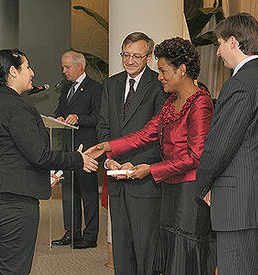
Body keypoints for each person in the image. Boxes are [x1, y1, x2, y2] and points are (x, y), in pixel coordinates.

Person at [87, 37, 217, 275]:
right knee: (168, 251)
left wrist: (151, 169)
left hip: (189, 191)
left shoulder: (200, 103)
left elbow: (195, 156)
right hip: (170, 188)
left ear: (182, 71)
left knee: (185, 253)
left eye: (163, 71)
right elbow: (145, 134)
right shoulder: (172, 102)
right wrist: (106, 146)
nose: (159, 77)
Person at [0, 49, 98, 275]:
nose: (32, 73)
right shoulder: (18, 108)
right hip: (15, 203)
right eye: (27, 67)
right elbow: (40, 155)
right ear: (13, 72)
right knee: (13, 267)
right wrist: (77, 159)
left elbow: (5, 152)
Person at [96, 32, 167, 275]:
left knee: (146, 248)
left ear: (149, 57)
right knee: (122, 246)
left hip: (144, 178)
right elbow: (103, 126)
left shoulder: (160, 85)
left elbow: (159, 134)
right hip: (116, 177)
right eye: (125, 55)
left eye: (137, 56)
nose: (130, 60)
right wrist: (111, 160)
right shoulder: (111, 84)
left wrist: (134, 164)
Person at [195, 13, 258, 275]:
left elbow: (220, 145)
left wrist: (203, 184)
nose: (218, 52)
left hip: (237, 201)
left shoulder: (239, 84)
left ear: (233, 42)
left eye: (219, 43)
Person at [52, 51, 101, 249]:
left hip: (87, 150)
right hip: (68, 151)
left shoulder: (95, 88)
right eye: (63, 67)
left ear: (80, 66)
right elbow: (59, 112)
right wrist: (61, 119)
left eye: (67, 67)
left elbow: (98, 117)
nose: (64, 71)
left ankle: (89, 237)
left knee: (89, 194)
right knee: (68, 193)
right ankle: (71, 233)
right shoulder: (66, 90)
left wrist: (78, 119)